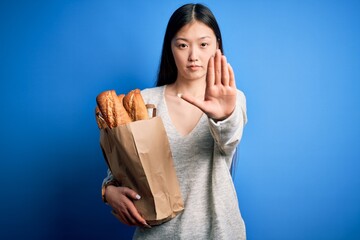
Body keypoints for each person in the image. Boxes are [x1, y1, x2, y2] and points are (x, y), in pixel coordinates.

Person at [101, 3, 247, 239]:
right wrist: (108, 192)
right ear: (170, 47)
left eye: (203, 44)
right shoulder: (145, 101)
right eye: (182, 45)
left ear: (216, 46)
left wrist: (223, 116)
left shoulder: (232, 99)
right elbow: (121, 169)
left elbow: (229, 140)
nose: (193, 56)